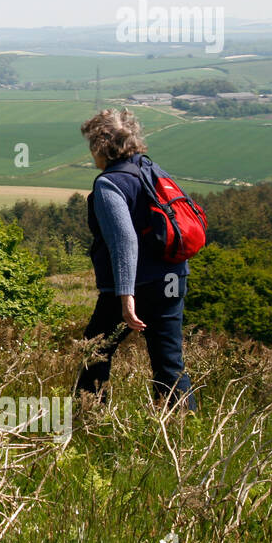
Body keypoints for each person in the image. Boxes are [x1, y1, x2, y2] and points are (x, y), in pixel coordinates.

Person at [75, 108, 197, 411]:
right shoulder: (150, 168)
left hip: (137, 285)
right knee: (169, 361)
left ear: (99, 145)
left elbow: (124, 241)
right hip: (173, 277)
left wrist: (125, 296)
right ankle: (188, 429)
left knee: (95, 351)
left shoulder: (109, 184)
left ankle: (91, 419)